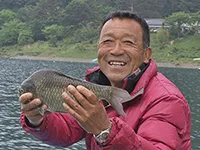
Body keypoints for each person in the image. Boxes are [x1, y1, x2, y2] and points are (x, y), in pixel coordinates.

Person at [19, 11, 191, 150]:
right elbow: (68, 131)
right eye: (107, 41)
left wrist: (105, 130)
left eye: (128, 42)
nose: (116, 50)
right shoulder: (96, 87)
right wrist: (36, 120)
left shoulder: (167, 100)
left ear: (146, 55)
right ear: (99, 49)